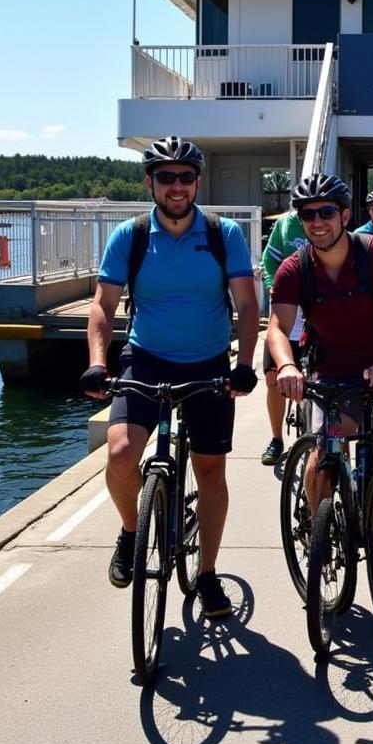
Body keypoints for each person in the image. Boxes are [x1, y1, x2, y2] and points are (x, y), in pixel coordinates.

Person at [81, 135, 259, 619]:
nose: (176, 187)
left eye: (185, 177)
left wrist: (244, 364)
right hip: (147, 357)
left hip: (208, 363)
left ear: (197, 182)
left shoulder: (225, 234)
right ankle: (131, 531)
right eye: (166, 177)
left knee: (210, 471)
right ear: (150, 182)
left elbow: (246, 303)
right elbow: (102, 304)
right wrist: (98, 360)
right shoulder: (131, 236)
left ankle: (207, 574)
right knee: (120, 455)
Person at [266, 173, 373, 521]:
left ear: (345, 215)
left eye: (326, 212)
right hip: (335, 375)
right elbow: (277, 326)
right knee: (324, 457)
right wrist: (288, 366)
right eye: (308, 215)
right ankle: (319, 529)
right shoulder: (295, 269)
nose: (317, 222)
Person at [259, 195, 310, 465]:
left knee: (311, 379)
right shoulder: (286, 225)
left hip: (312, 314)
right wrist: (272, 284)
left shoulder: (327, 226)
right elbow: (270, 260)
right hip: (285, 310)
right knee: (273, 380)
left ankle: (311, 433)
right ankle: (276, 438)